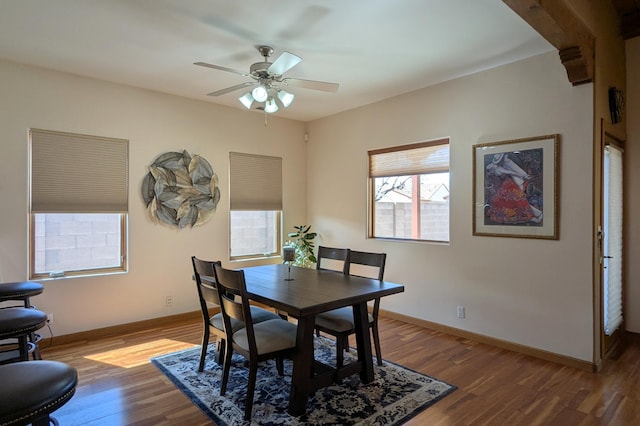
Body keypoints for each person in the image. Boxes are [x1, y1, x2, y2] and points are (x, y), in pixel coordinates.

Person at [485, 153, 542, 224]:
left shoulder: (499, 169)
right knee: (515, 202)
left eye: (490, 170)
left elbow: (511, 172)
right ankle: (536, 215)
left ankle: (535, 215)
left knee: (519, 202)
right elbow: (510, 172)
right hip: (506, 186)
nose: (490, 172)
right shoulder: (498, 169)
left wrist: (523, 176)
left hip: (509, 186)